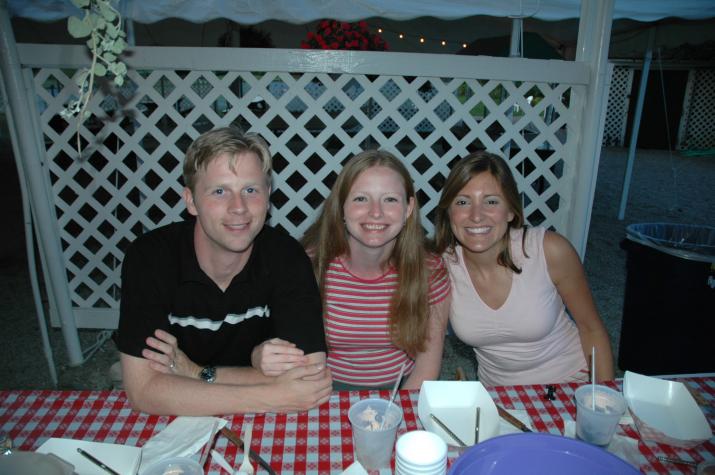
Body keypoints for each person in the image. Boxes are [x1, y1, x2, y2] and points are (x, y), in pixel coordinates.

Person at [115, 127, 332, 416]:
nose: (238, 208)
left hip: (195, 393)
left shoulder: (287, 257)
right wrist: (274, 394)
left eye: (250, 190)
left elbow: (308, 380)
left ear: (268, 196)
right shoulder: (150, 257)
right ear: (191, 201)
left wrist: (196, 373)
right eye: (220, 191)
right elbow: (143, 392)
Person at [432, 151, 614, 387]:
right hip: (499, 396)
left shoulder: (550, 250)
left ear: (510, 210)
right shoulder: (440, 268)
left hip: (574, 383)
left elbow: (593, 330)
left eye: (491, 201)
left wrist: (604, 399)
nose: (476, 216)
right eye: (463, 202)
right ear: (449, 213)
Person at [292, 149, 451, 390]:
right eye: (360, 199)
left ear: (408, 209)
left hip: (403, 389)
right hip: (323, 389)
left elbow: (427, 367)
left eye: (389, 199)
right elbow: (296, 359)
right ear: (341, 207)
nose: (376, 212)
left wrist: (399, 411)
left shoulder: (430, 270)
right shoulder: (310, 265)